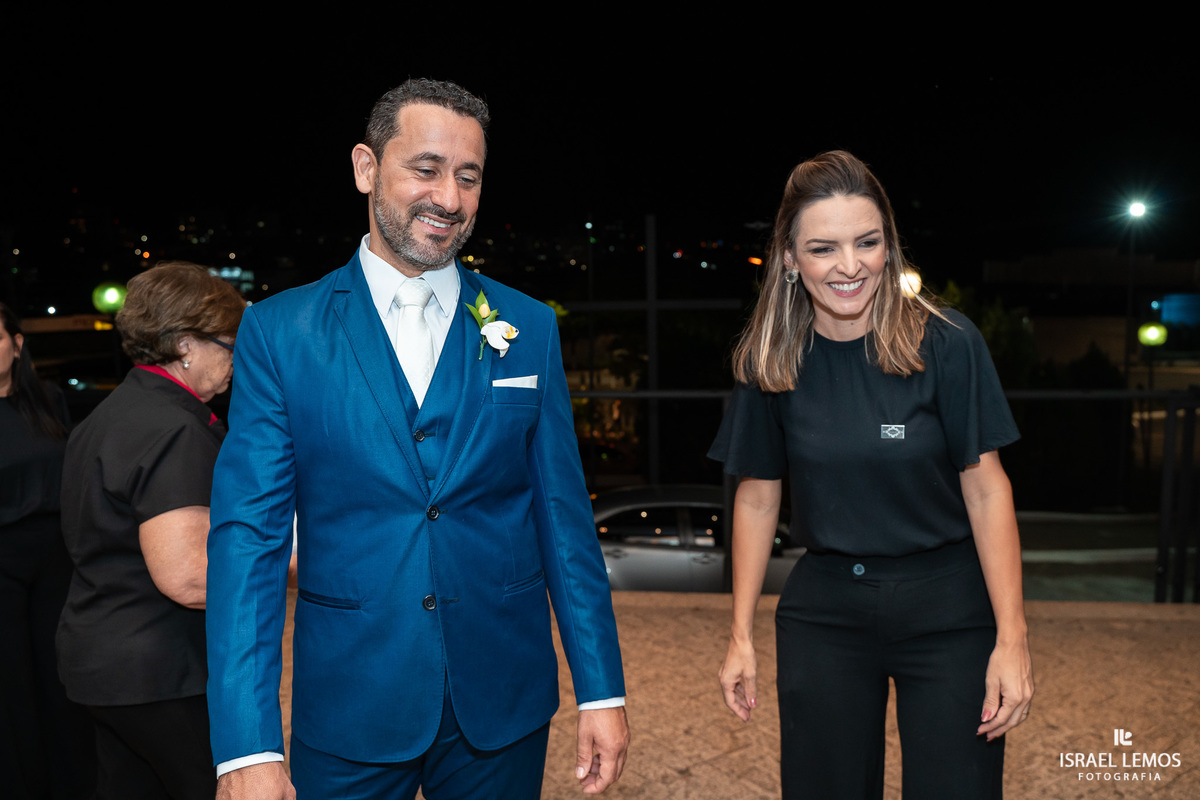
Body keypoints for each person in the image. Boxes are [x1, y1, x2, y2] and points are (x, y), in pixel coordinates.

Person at [206, 78, 628, 800]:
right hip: (349, 701)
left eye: (469, 176)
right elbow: (250, 540)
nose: (450, 199)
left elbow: (563, 521)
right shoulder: (280, 333)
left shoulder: (528, 326)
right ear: (366, 168)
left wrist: (601, 690)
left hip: (503, 699)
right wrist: (246, 745)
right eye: (426, 169)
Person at [710, 151, 1033, 798]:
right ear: (790, 258)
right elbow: (757, 499)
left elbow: (985, 489)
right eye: (823, 248)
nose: (850, 265)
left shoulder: (947, 343)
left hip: (950, 610)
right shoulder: (770, 359)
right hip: (825, 612)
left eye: (867, 242)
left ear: (889, 245)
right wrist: (740, 635)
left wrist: (1013, 637)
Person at [57, 262, 244, 800]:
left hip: (99, 658)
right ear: (186, 345)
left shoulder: (109, 414)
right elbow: (188, 577)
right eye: (228, 345)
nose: (235, 362)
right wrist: (296, 563)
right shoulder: (174, 427)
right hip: (157, 669)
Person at [0, 302, 95, 798]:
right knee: (12, 685)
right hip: (2, 563)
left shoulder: (50, 400)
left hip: (57, 556)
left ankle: (74, 785)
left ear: (17, 345)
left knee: (60, 677)